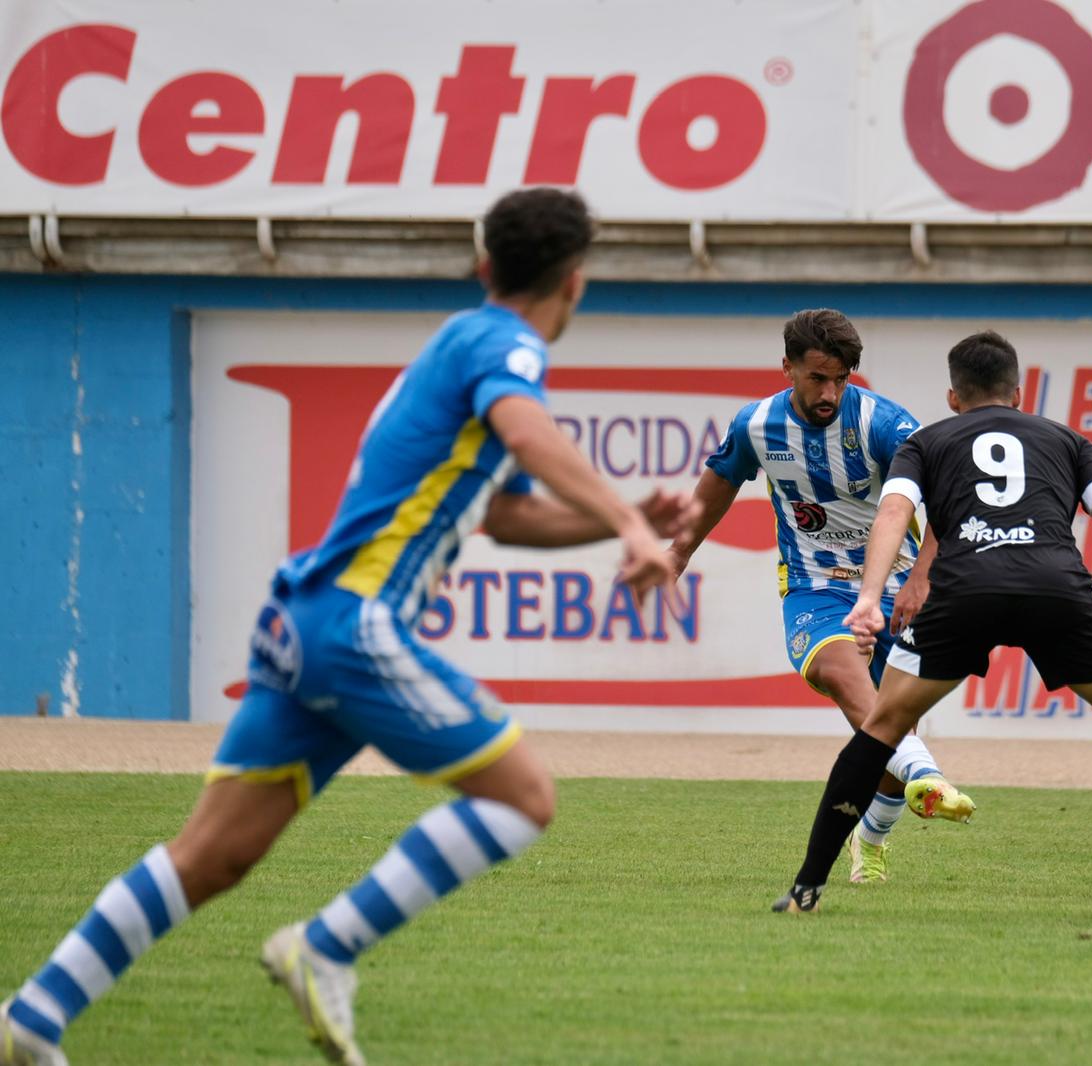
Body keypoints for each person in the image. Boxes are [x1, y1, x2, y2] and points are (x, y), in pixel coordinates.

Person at [1, 187, 697, 1066]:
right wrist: (633, 526)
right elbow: (526, 432)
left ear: (485, 265)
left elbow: (508, 517)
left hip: (305, 620)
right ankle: (323, 948)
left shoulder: (464, 345)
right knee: (524, 797)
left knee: (211, 856)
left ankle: (34, 1014)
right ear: (578, 282)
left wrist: (621, 513)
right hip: (352, 624)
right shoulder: (502, 342)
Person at [770, 330, 1092, 923]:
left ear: (954, 397)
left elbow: (893, 511)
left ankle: (805, 890)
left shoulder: (926, 442)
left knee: (880, 728)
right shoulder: (1068, 441)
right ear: (1020, 392)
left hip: (964, 595)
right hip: (1055, 590)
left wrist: (870, 598)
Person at [667, 309, 974, 886]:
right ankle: (924, 770)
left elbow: (948, 497)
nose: (830, 391)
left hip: (895, 589)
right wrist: (677, 554)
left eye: (842, 379)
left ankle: (873, 837)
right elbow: (718, 483)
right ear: (787, 367)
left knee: (883, 725)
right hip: (812, 585)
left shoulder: (885, 423)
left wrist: (921, 577)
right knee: (839, 667)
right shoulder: (756, 424)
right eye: (817, 378)